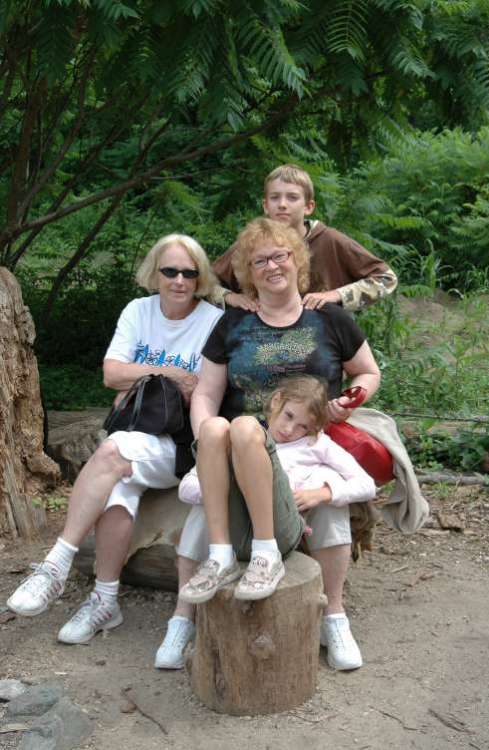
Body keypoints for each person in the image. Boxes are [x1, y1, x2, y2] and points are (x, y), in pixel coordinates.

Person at [7, 233, 223, 669]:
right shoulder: (137, 311)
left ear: (200, 278)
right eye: (170, 271)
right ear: (154, 274)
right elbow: (111, 373)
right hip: (136, 434)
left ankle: (55, 565)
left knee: (112, 452)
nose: (179, 280)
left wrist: (143, 379)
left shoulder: (213, 321)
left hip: (181, 445)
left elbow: (202, 390)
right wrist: (168, 373)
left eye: (189, 272)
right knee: (118, 489)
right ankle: (105, 599)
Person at [178, 216, 381, 670]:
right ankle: (183, 619)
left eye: (280, 256)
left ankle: (334, 615)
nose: (272, 266)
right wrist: (208, 441)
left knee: (328, 505)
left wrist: (348, 401)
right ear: (249, 274)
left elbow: (368, 371)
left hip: (306, 447)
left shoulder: (329, 318)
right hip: (241, 444)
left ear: (297, 260)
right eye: (260, 261)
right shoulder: (233, 324)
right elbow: (207, 395)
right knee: (202, 502)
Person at [178, 375, 375, 605]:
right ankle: (213, 568)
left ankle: (271, 559)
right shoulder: (240, 441)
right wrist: (229, 487)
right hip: (234, 528)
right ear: (276, 401)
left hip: (278, 529)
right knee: (213, 426)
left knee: (243, 425)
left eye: (304, 426)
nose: (290, 429)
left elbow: (367, 484)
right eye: (289, 415)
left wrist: (322, 493)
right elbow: (186, 488)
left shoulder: (315, 444)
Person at [213, 163, 398, 312]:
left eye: (292, 198)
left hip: (325, 339)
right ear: (265, 205)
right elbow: (203, 284)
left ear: (308, 206)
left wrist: (335, 295)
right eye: (275, 197)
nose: (282, 204)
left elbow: (386, 278)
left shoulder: (330, 241)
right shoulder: (250, 245)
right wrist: (230, 298)